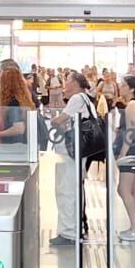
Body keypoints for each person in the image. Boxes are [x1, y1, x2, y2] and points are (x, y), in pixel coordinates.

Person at [47, 70, 94, 246]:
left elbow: (60, 120)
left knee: (66, 189)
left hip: (71, 151)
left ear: (75, 83)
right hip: (81, 151)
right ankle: (75, 228)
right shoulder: (86, 99)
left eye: (67, 81)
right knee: (73, 188)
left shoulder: (76, 98)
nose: (64, 84)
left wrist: (53, 121)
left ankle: (68, 232)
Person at [115, 74, 135, 241]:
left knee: (123, 189)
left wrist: (123, 152)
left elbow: (131, 131)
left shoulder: (131, 106)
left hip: (131, 152)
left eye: (123, 85)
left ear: (132, 88)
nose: (120, 88)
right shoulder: (132, 105)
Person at [0, 63, 35, 148]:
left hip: (13, 146)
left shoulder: (13, 102)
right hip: (22, 144)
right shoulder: (22, 99)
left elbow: (19, 128)